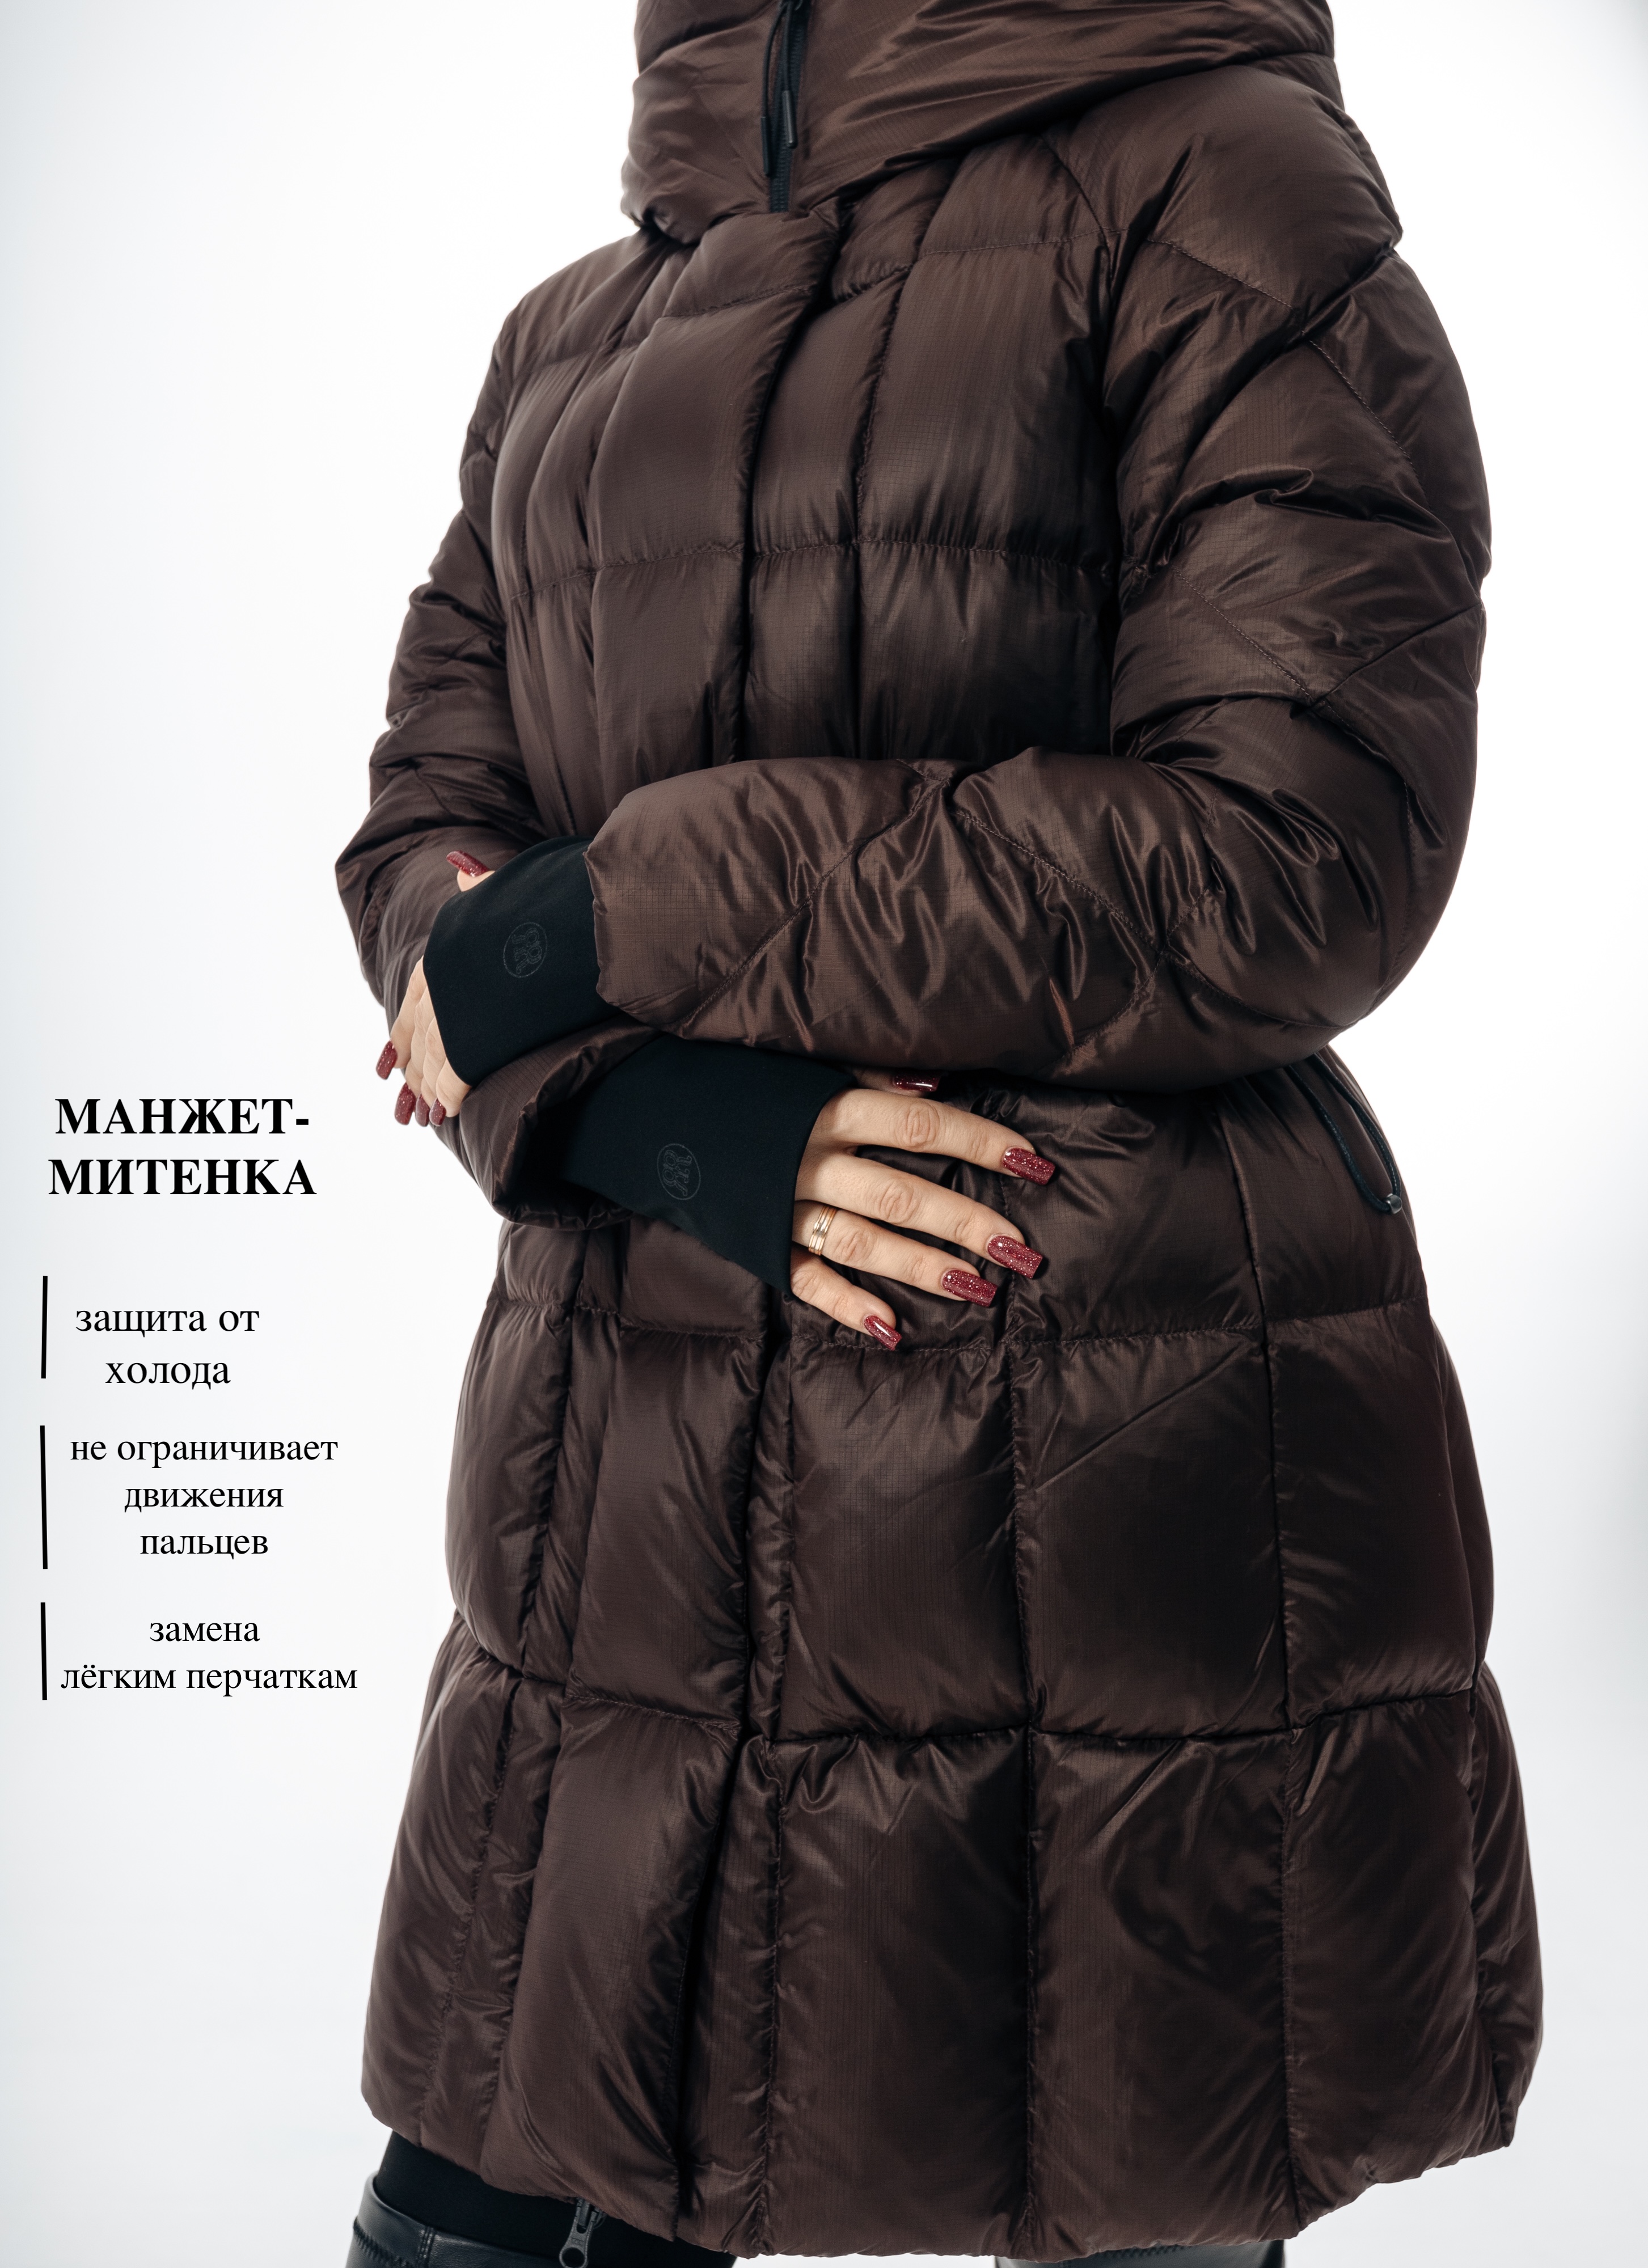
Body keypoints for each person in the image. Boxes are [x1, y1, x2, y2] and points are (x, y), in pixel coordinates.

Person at [335, 4, 1541, 2265]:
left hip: (1099, 1481)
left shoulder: (1226, 188)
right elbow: (431, 873)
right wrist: (661, 1119)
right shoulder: (572, 335)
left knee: (1133, 2181)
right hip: (615, 1524)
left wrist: (632, 906)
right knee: (477, 2210)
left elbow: (1297, 845)